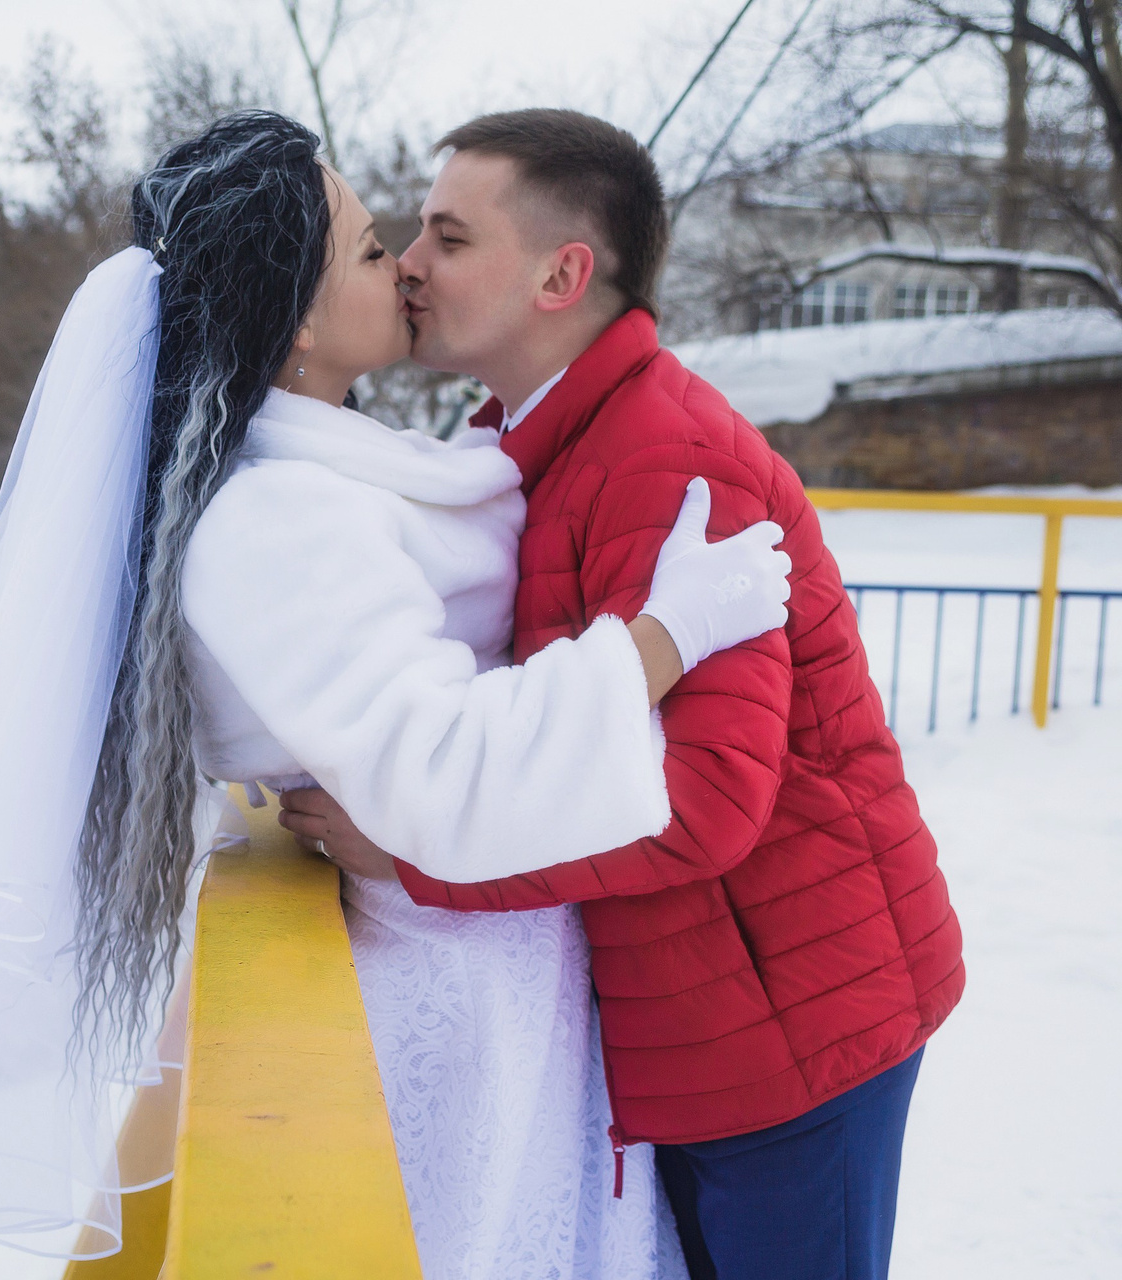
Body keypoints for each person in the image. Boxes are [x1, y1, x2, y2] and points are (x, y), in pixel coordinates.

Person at [0, 111, 786, 1275]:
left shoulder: (324, 472)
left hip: (492, 961)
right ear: (299, 317)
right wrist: (664, 635)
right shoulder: (276, 521)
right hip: (444, 994)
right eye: (373, 249)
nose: (405, 267)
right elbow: (441, 766)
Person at [279, 109, 965, 1280]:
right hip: (699, 1019)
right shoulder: (541, 442)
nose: (410, 265)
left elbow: (705, 801)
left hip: (797, 1027)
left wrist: (419, 852)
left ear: (561, 275)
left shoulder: (665, 457)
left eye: (449, 236)